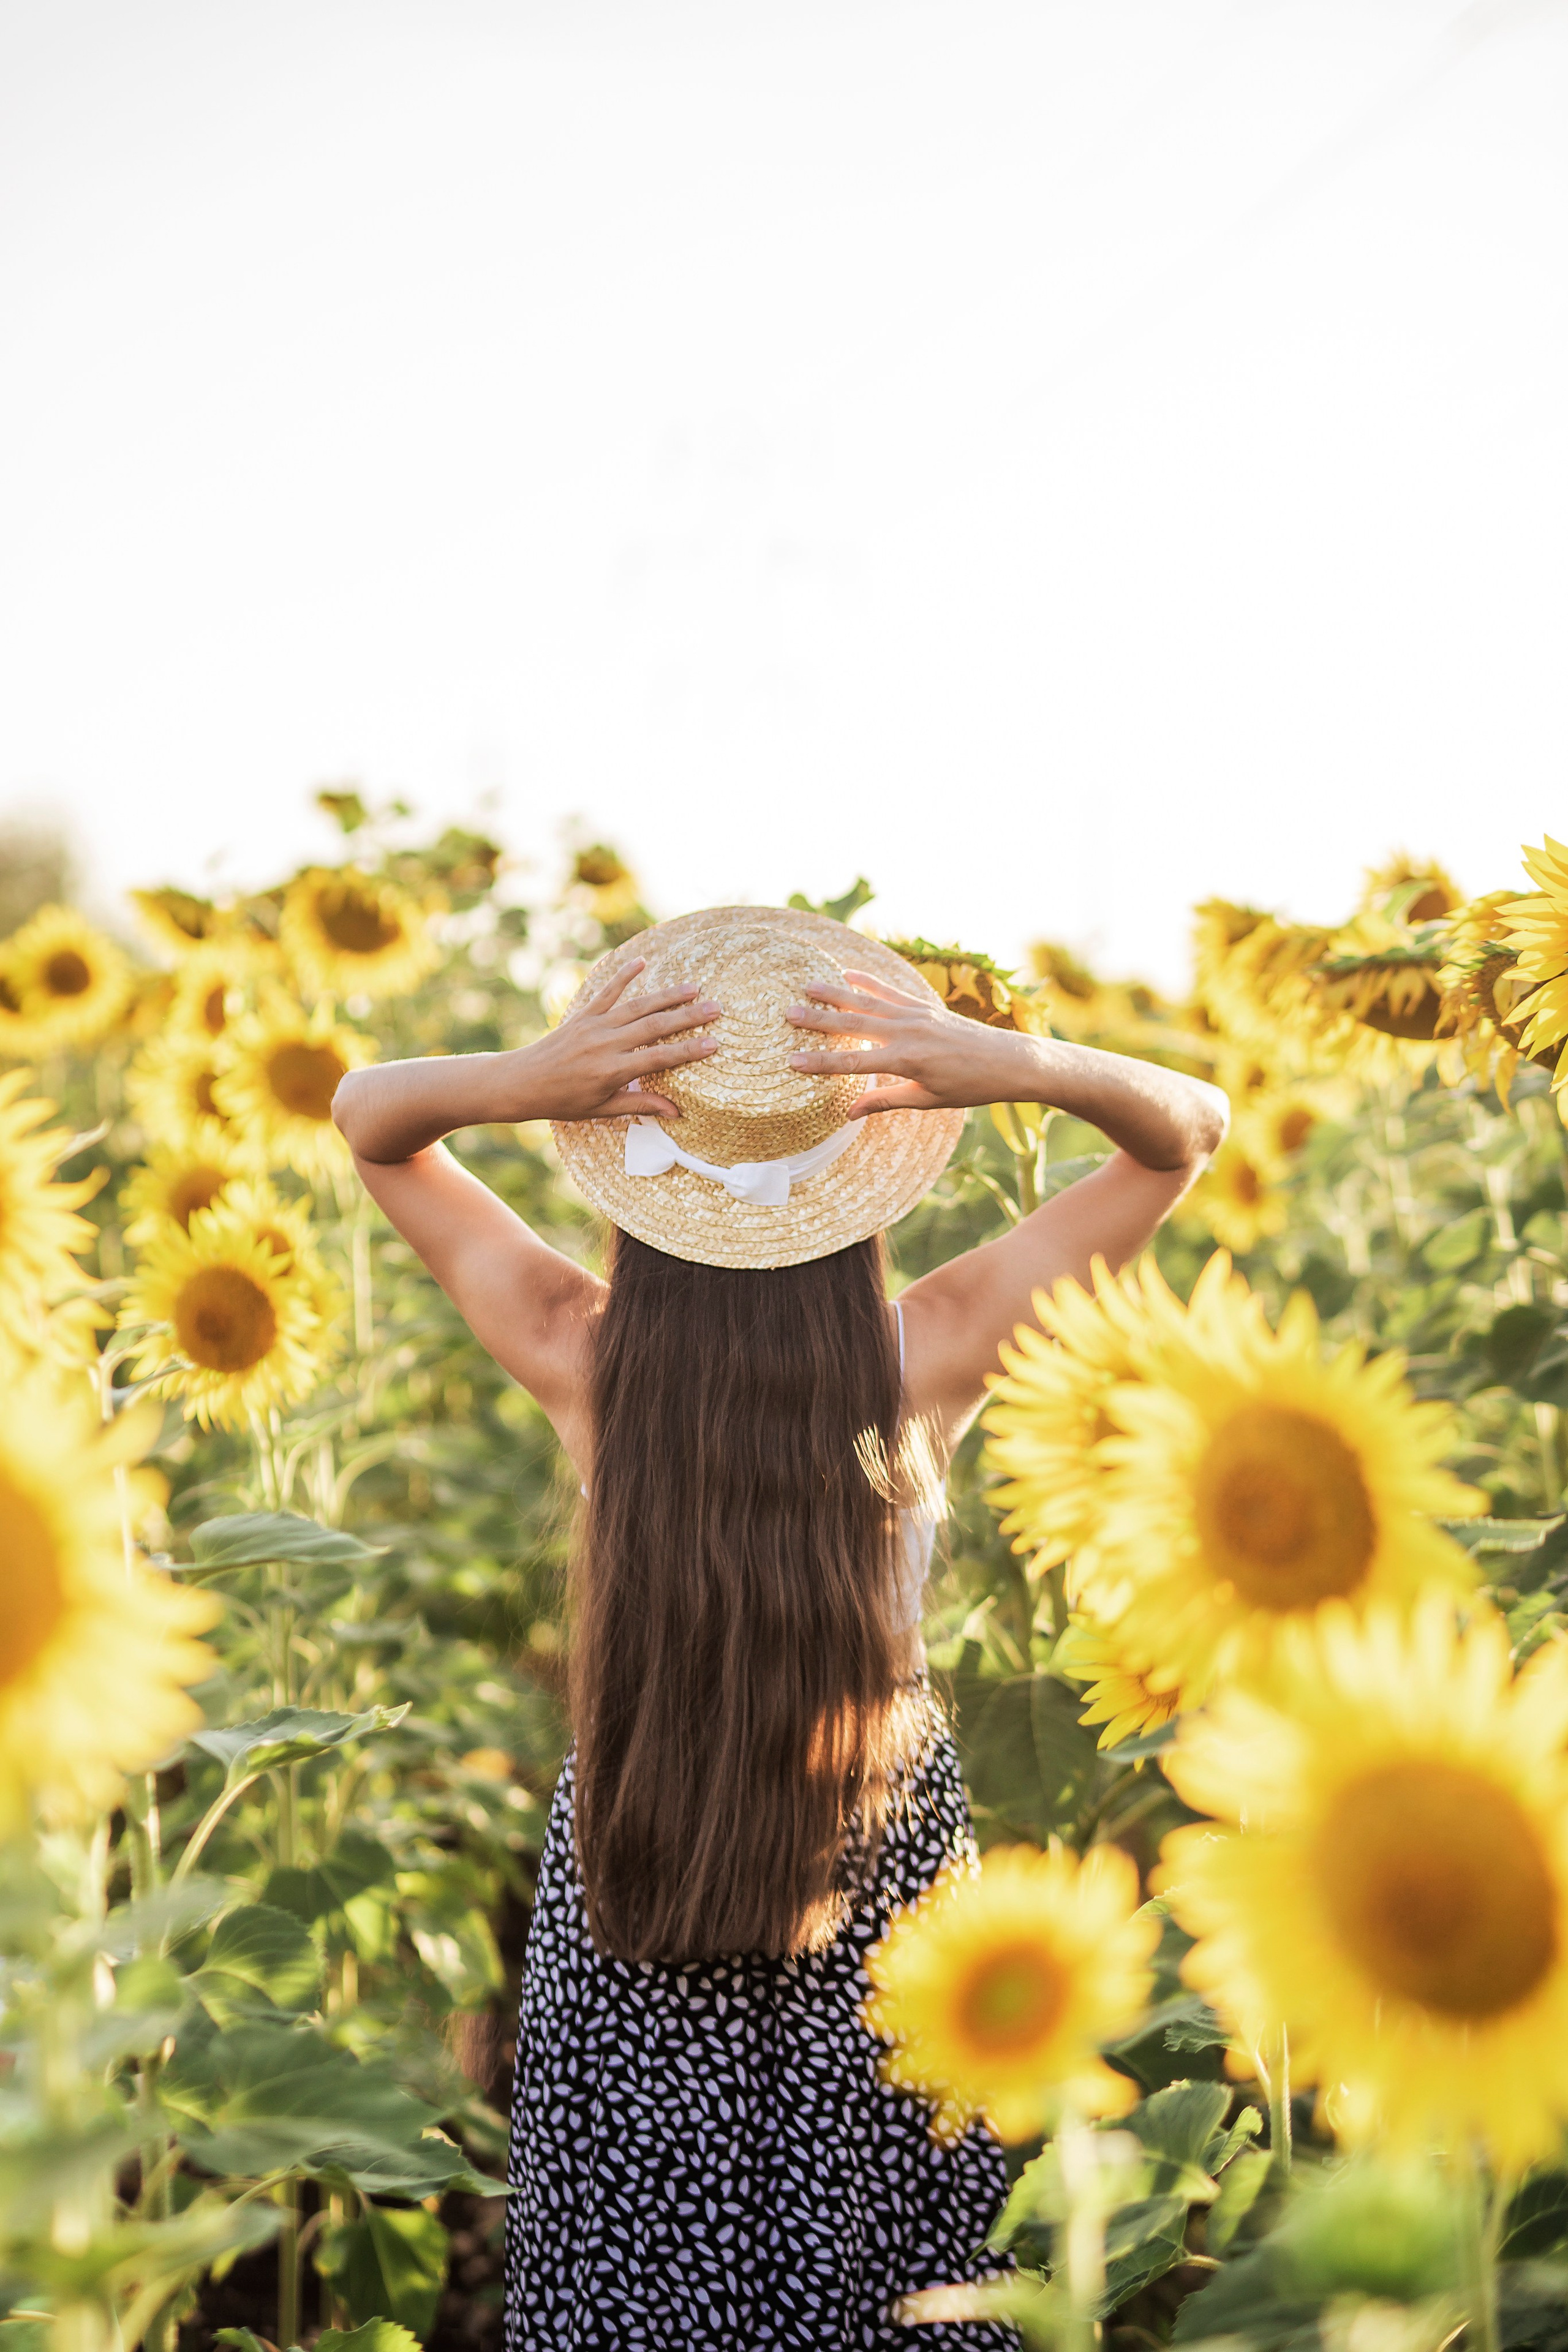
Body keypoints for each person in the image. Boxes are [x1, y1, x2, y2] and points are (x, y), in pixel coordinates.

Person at [333, 903, 1227, 2352]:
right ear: (862, 1191)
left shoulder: (583, 1357)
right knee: (882, 2257)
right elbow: (1182, 1133)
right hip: (875, 1867)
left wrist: (537, 1075)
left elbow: (371, 1120)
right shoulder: (923, 1355)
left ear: (633, 1185)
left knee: (638, 2254)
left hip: (639, 1846)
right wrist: (993, 1057)